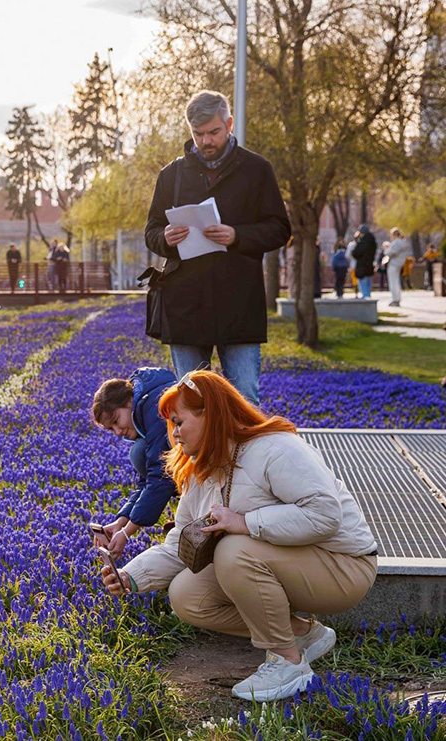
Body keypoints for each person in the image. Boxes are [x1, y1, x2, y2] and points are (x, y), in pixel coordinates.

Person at [99, 370, 378, 702]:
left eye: (178, 422)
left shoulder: (274, 448)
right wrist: (131, 576)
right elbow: (181, 544)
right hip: (286, 562)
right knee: (187, 595)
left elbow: (325, 514)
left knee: (233, 550)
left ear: (211, 415)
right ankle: (303, 635)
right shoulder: (198, 468)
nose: (172, 433)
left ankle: (287, 662)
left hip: (342, 566)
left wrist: (245, 522)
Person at [144, 90, 291, 407]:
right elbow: (151, 230)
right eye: (198, 134)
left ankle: (244, 459)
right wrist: (165, 237)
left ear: (229, 124)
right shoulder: (171, 175)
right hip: (185, 305)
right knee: (193, 405)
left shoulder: (257, 170)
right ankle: (202, 460)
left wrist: (236, 235)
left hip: (239, 303)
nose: (206, 141)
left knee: (245, 402)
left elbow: (280, 228)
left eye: (213, 132)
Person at [91, 368, 179, 558]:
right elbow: (147, 480)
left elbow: (160, 477)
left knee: (140, 453)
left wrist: (127, 532)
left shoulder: (154, 409)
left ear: (130, 402)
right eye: (110, 429)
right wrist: (121, 522)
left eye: (116, 420)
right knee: (140, 451)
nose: (117, 431)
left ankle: (196, 514)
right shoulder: (145, 404)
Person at [351, 224, 377, 298]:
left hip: (362, 267)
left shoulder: (363, 242)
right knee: (368, 285)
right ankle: (368, 297)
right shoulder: (372, 241)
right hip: (369, 266)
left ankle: (365, 299)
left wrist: (357, 242)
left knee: (363, 286)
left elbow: (356, 253)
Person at [386, 228, 410, 307]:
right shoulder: (403, 243)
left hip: (393, 264)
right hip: (399, 264)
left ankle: (395, 299)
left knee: (393, 283)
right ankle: (397, 298)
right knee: (396, 282)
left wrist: (386, 249)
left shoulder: (396, 243)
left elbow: (390, 252)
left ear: (394, 235)